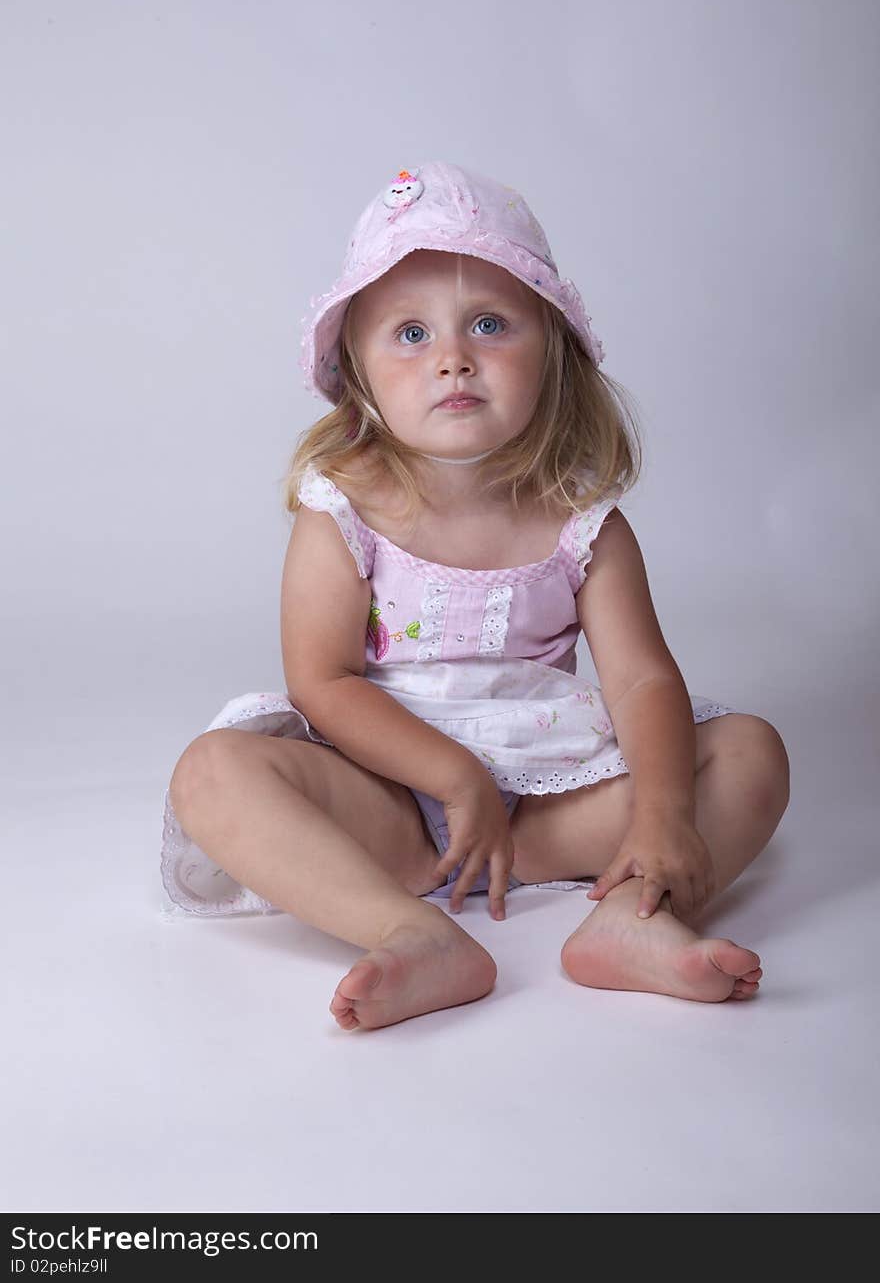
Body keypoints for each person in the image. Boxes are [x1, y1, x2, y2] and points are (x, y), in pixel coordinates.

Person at [162, 161, 790, 1031]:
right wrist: (453, 778)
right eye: (410, 335)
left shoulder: (582, 522)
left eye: (489, 325)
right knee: (213, 770)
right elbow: (322, 679)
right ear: (360, 372)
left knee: (751, 753)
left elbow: (642, 681)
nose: (452, 358)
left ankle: (636, 916)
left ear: (554, 352)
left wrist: (659, 814)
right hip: (392, 800)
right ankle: (411, 932)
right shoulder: (342, 506)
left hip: (549, 806)